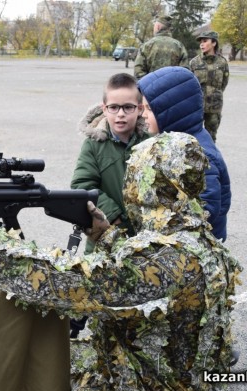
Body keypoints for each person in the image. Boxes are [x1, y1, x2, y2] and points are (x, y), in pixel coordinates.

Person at [0, 132, 242, 391]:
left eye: (133, 175)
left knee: (36, 366)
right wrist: (107, 236)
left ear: (148, 186)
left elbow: (58, 284)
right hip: (178, 377)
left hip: (150, 389)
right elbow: (138, 276)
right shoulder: (202, 241)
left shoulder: (168, 262)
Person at [69, 73, 150, 337]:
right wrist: (113, 216)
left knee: (137, 302)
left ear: (139, 109)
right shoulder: (94, 144)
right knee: (102, 300)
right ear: (104, 109)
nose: (120, 115)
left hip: (143, 241)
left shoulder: (150, 143)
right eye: (114, 107)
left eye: (128, 107)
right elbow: (81, 185)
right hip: (105, 238)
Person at [138, 66, 231, 241]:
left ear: (170, 112)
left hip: (199, 247)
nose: (143, 114)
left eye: (149, 109)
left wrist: (161, 224)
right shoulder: (176, 142)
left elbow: (206, 209)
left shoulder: (197, 153)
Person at [189, 31, 230, 142]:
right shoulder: (194, 62)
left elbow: (224, 83)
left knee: (211, 138)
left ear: (214, 43)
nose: (201, 44)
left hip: (214, 106)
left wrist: (215, 94)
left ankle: (210, 159)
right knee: (194, 137)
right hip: (197, 106)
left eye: (205, 41)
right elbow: (190, 84)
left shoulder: (222, 62)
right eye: (201, 42)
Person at [133, 15, 189, 79]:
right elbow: (185, 72)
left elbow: (138, 71)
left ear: (158, 27)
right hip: (173, 87)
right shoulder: (179, 46)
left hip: (150, 87)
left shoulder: (146, 46)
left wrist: (148, 85)